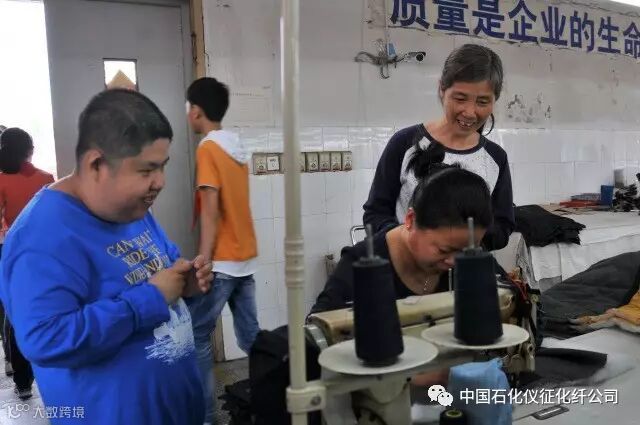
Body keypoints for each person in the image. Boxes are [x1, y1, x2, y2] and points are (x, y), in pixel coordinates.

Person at [0, 89, 212, 424]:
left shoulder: (131, 208)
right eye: (146, 170)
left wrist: (186, 281)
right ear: (96, 164)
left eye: (162, 167)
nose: (160, 182)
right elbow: (45, 339)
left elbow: (165, 263)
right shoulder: (41, 237)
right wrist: (150, 300)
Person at [363, 43, 514, 251]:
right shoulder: (405, 143)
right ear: (442, 89)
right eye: (460, 98)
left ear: (494, 100)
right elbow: (375, 214)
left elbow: (503, 226)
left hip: (468, 267)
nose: (470, 112)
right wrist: (410, 242)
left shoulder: (496, 157)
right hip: (406, 265)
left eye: (482, 102)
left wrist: (465, 237)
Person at [185, 77, 260, 425]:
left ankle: (207, 418)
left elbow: (211, 210)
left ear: (196, 111)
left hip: (223, 261)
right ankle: (270, 404)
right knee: (252, 340)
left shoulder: (208, 148)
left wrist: (203, 260)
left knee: (197, 335)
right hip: (246, 257)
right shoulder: (236, 148)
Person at [0, 127, 54, 399]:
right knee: (48, 310)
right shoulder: (47, 179)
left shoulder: (1, 180)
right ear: (30, 150)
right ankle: (52, 375)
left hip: (15, 255)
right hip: (46, 254)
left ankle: (22, 382)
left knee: (15, 315)